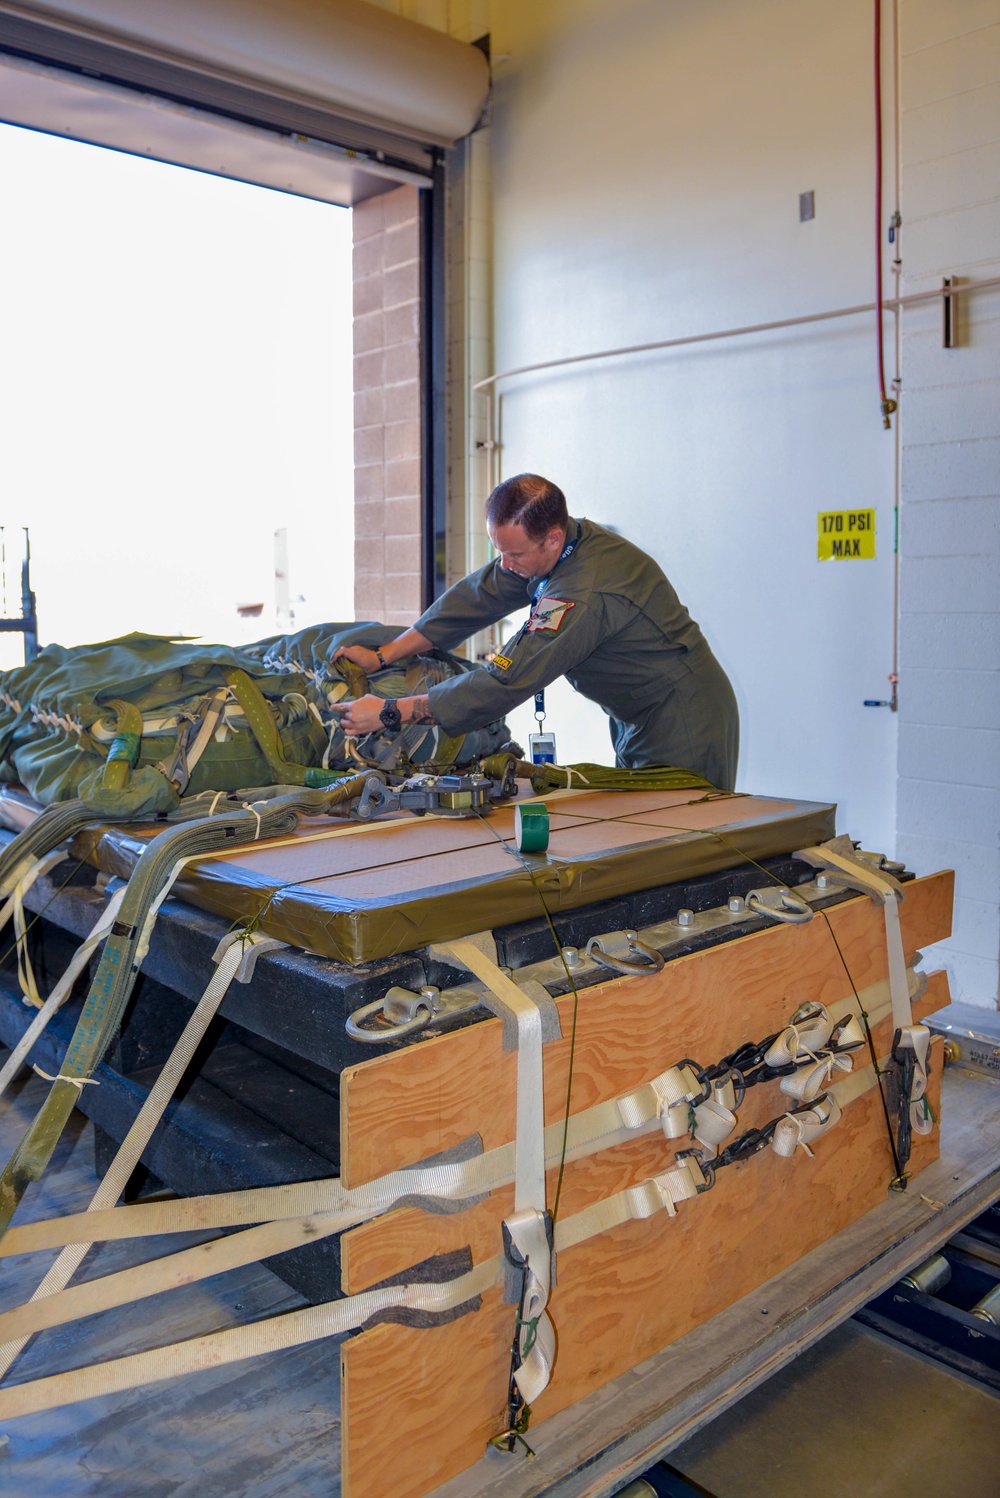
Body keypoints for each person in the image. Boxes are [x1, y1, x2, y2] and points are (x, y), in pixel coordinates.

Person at [332, 473, 739, 789]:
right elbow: (477, 596)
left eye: (513, 553)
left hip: (681, 718)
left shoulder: (582, 591)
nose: (506, 564)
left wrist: (389, 712)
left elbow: (505, 682)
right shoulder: (557, 547)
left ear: (552, 538)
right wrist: (385, 654)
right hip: (636, 714)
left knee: (678, 844)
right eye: (499, 551)